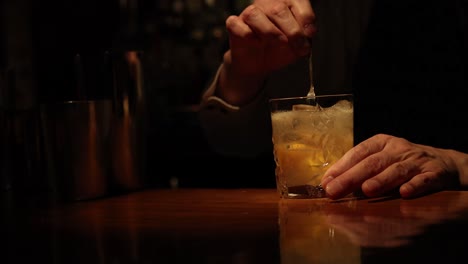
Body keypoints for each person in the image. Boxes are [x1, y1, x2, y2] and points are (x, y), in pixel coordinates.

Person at [198, 0, 468, 199]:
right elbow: (230, 144)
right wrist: (243, 74)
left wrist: (456, 163)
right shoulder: (287, 15)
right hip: (314, 222)